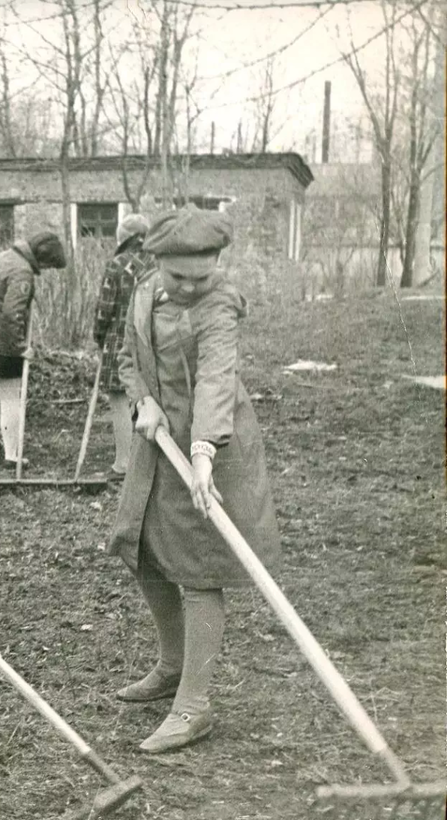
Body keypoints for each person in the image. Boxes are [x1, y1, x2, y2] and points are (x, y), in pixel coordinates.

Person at [108, 207, 281, 754]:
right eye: (178, 276)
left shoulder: (219, 304)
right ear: (156, 263)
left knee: (200, 572)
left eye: (200, 276)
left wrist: (203, 451)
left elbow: (215, 378)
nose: (189, 286)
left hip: (212, 449)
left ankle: (195, 705)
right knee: (145, 552)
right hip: (156, 445)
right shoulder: (143, 291)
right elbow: (125, 355)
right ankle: (171, 666)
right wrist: (144, 401)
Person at [0, 230, 67, 471]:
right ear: (42, 259)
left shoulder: (5, 256)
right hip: (0, 343)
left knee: (1, 390)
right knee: (12, 396)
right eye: (49, 265)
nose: (47, 270)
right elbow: (13, 313)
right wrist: (20, 347)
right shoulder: (22, 272)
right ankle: (12, 457)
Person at [92, 214, 155, 480]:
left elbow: (104, 309)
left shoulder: (116, 265)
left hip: (118, 341)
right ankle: (151, 461)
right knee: (147, 399)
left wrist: (98, 335)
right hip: (151, 341)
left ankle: (123, 463)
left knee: (118, 401)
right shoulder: (157, 264)